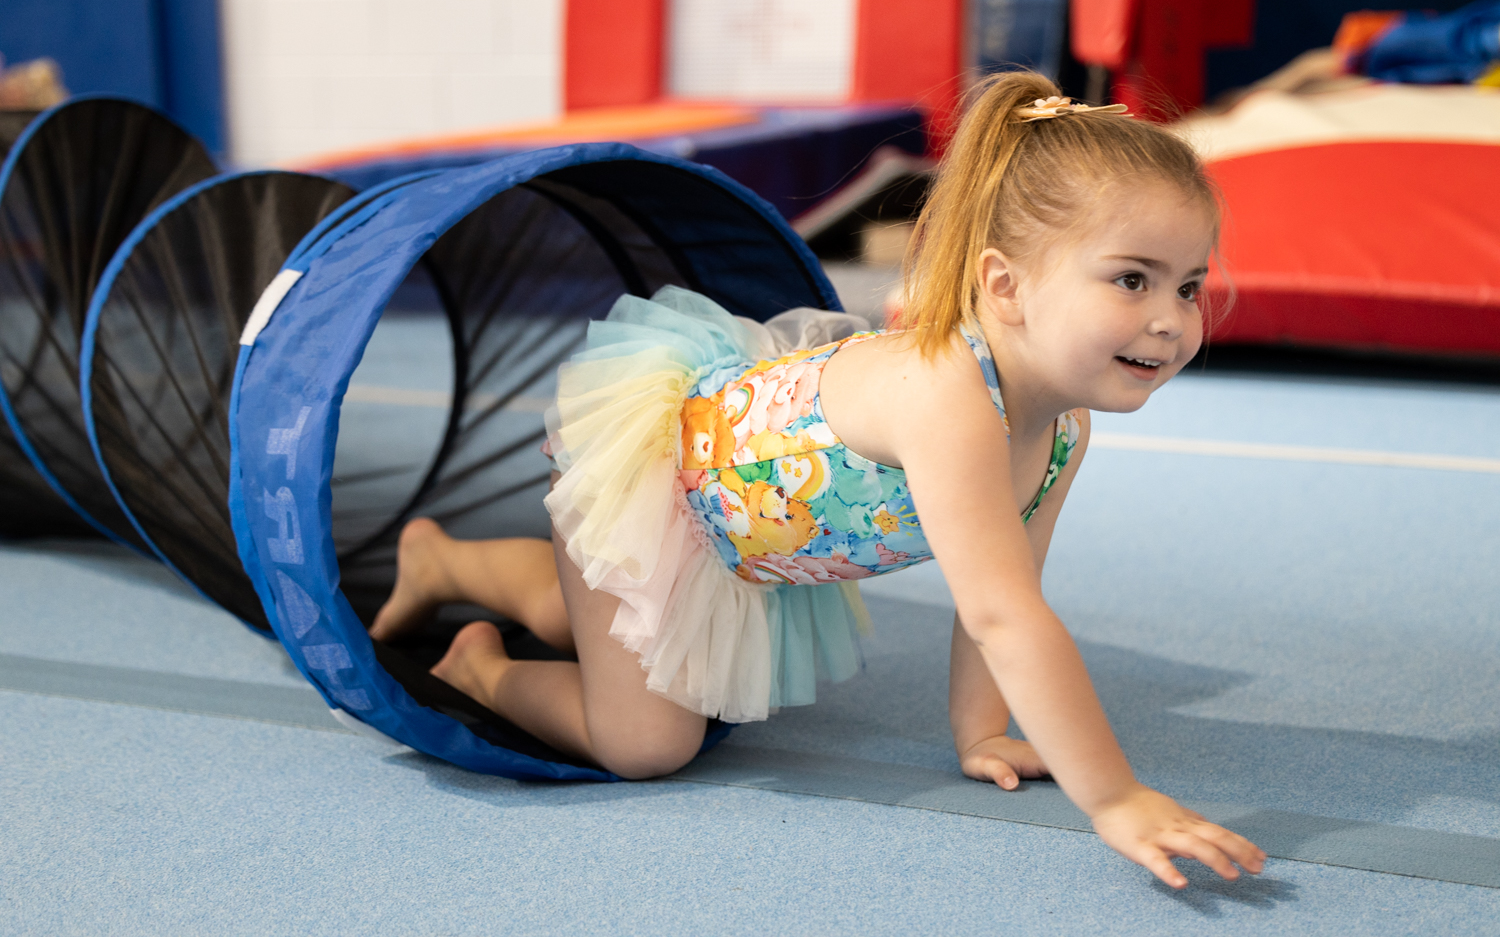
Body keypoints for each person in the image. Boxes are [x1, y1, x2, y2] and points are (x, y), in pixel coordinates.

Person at [369, 71, 1265, 889]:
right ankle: (481, 667)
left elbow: (1002, 593)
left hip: (747, 541)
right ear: (1005, 286)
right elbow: (1004, 616)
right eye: (1132, 280)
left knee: (596, 618)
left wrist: (979, 731)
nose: (1168, 321)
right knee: (646, 742)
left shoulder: (1062, 432)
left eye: (1188, 287)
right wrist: (1111, 796)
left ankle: (442, 563)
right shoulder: (948, 397)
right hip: (660, 486)